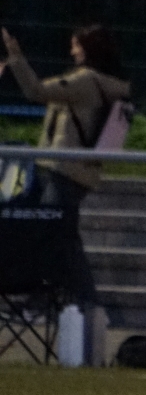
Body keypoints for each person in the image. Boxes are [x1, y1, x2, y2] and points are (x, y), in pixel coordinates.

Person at [0, 24, 131, 301]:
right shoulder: (109, 83)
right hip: (78, 171)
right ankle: (58, 297)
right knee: (56, 234)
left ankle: (86, 302)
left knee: (60, 237)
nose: (72, 52)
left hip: (63, 169)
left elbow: (35, 91)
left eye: (76, 46)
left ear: (89, 49)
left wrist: (15, 56)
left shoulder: (85, 81)